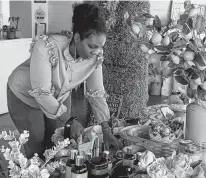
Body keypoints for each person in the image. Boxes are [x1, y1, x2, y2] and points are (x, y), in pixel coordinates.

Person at [7, 3, 122, 159]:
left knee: (59, 139)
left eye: (100, 47)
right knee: (36, 142)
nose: (96, 52)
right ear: (77, 37)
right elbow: (42, 93)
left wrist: (106, 130)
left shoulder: (95, 57)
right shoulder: (47, 46)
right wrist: (70, 119)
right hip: (25, 95)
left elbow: (96, 94)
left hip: (59, 95)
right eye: (92, 46)